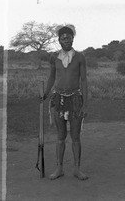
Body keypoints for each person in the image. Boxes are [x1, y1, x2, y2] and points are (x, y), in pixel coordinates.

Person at [41, 24, 88, 180]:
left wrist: (85, 104)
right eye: (63, 38)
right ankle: (59, 168)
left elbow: (84, 80)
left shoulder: (80, 57)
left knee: (75, 137)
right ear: (59, 40)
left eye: (69, 37)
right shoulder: (54, 57)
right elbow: (52, 77)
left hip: (75, 100)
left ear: (73, 38)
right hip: (58, 99)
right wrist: (46, 93)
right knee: (60, 136)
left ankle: (76, 169)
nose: (66, 40)